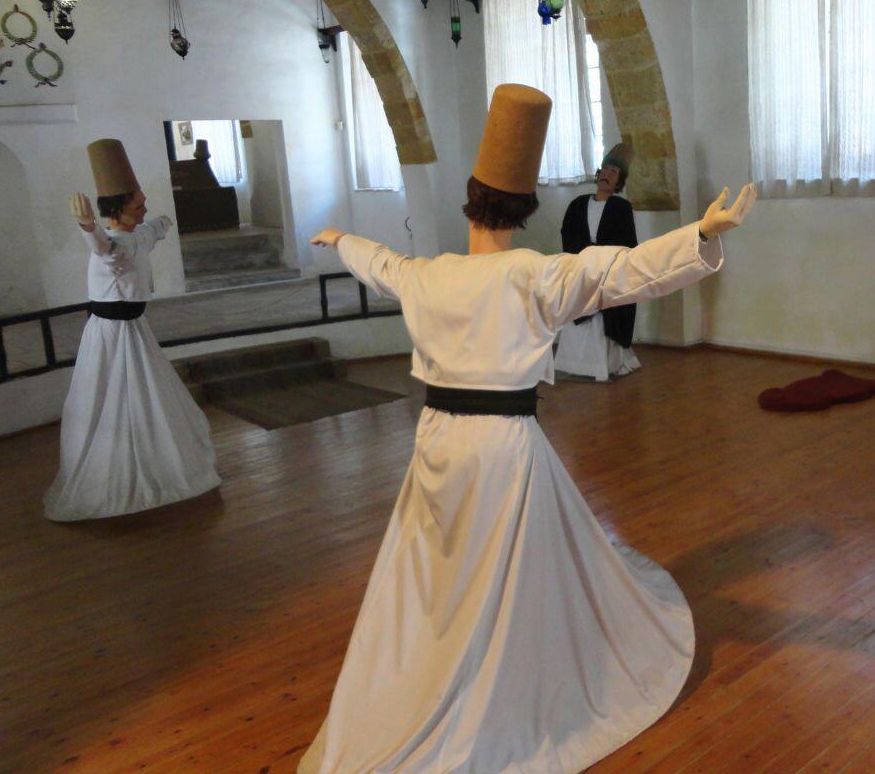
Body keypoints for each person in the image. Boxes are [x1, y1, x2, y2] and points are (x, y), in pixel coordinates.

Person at [298, 84, 757, 773]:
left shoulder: (427, 275)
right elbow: (622, 271)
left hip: (437, 445)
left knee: (442, 565)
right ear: (526, 208)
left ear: (468, 199)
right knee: (509, 566)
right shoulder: (535, 276)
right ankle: (500, 670)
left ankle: (435, 662)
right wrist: (699, 235)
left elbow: (380, 264)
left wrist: (340, 237)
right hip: (503, 446)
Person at [44, 139, 221, 521]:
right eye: (138, 205)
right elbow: (103, 248)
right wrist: (87, 226)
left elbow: (150, 234)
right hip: (111, 336)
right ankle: (117, 465)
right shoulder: (115, 250)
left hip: (134, 330)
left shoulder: (136, 236)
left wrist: (161, 222)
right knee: (112, 399)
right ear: (118, 208)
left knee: (145, 397)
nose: (144, 209)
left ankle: (155, 458)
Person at [556, 142, 640, 380]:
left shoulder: (622, 208)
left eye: (614, 172)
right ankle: (576, 364)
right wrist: (585, 257)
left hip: (608, 270)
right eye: (605, 170)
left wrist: (602, 257)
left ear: (619, 182)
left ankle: (606, 365)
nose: (607, 174)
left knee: (607, 304)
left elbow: (626, 242)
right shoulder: (577, 204)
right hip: (582, 267)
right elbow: (567, 234)